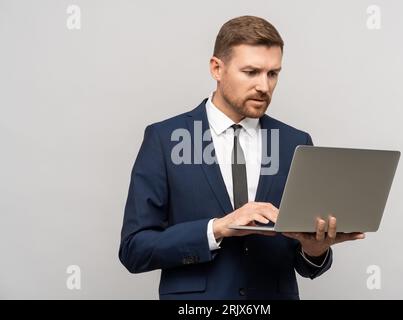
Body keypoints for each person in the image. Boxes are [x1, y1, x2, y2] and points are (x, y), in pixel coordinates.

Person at [119, 15, 365, 300]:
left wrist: (315, 249)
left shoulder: (296, 143)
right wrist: (219, 228)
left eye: (273, 73)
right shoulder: (164, 139)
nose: (264, 86)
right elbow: (134, 250)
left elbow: (307, 265)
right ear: (216, 68)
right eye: (251, 72)